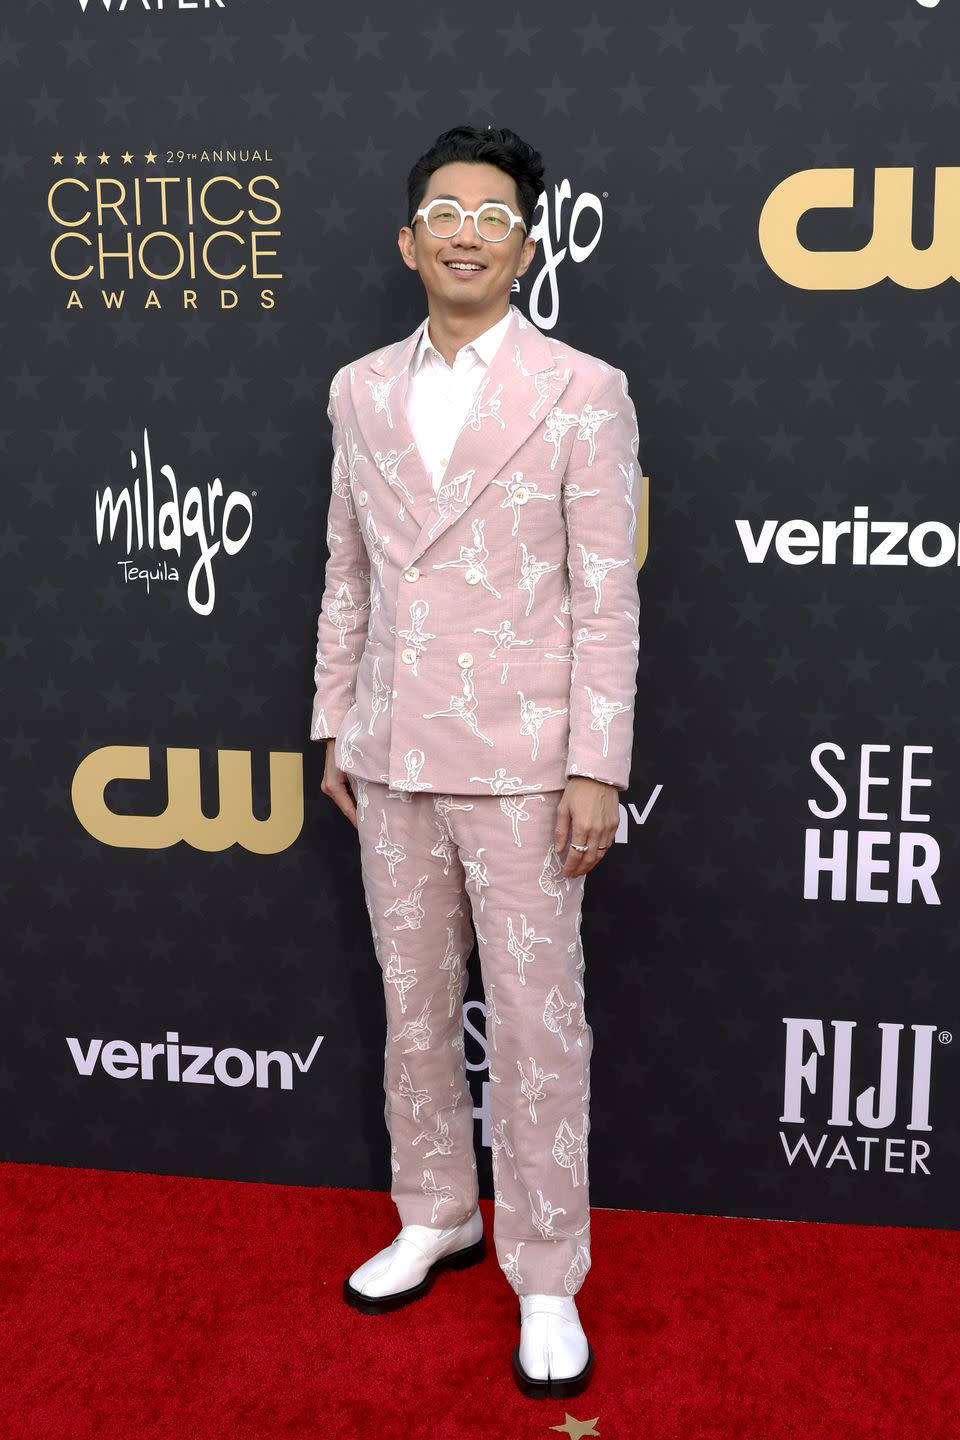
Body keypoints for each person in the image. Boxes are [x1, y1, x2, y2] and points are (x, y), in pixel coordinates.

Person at [310, 123, 641, 1400]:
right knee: (410, 1005)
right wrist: (335, 718)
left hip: (522, 761)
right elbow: (343, 569)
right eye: (444, 209)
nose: (466, 230)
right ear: (408, 240)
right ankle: (437, 1211)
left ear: (526, 241)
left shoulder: (583, 391)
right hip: (391, 755)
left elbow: (606, 597)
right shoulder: (354, 391)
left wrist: (597, 764)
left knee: (541, 1023)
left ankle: (548, 1271)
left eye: (493, 214)